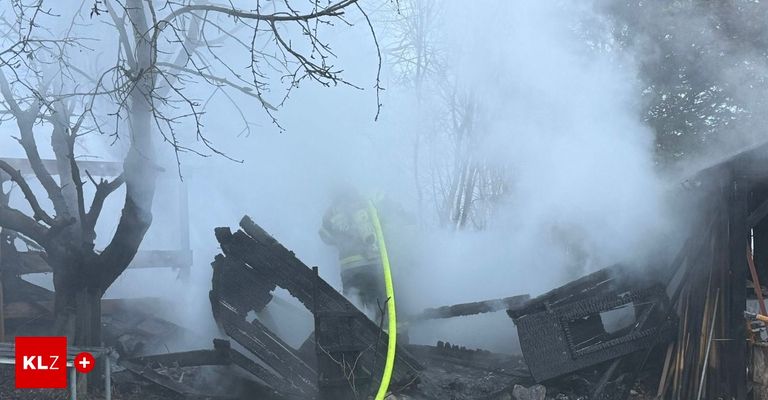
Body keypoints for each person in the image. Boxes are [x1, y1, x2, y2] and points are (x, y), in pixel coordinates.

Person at [319, 189, 387, 316]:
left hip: (349, 268)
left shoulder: (331, 212)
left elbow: (325, 237)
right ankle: (381, 330)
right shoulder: (366, 204)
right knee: (378, 304)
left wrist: (340, 239)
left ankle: (358, 333)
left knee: (353, 308)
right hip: (372, 263)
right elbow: (382, 225)